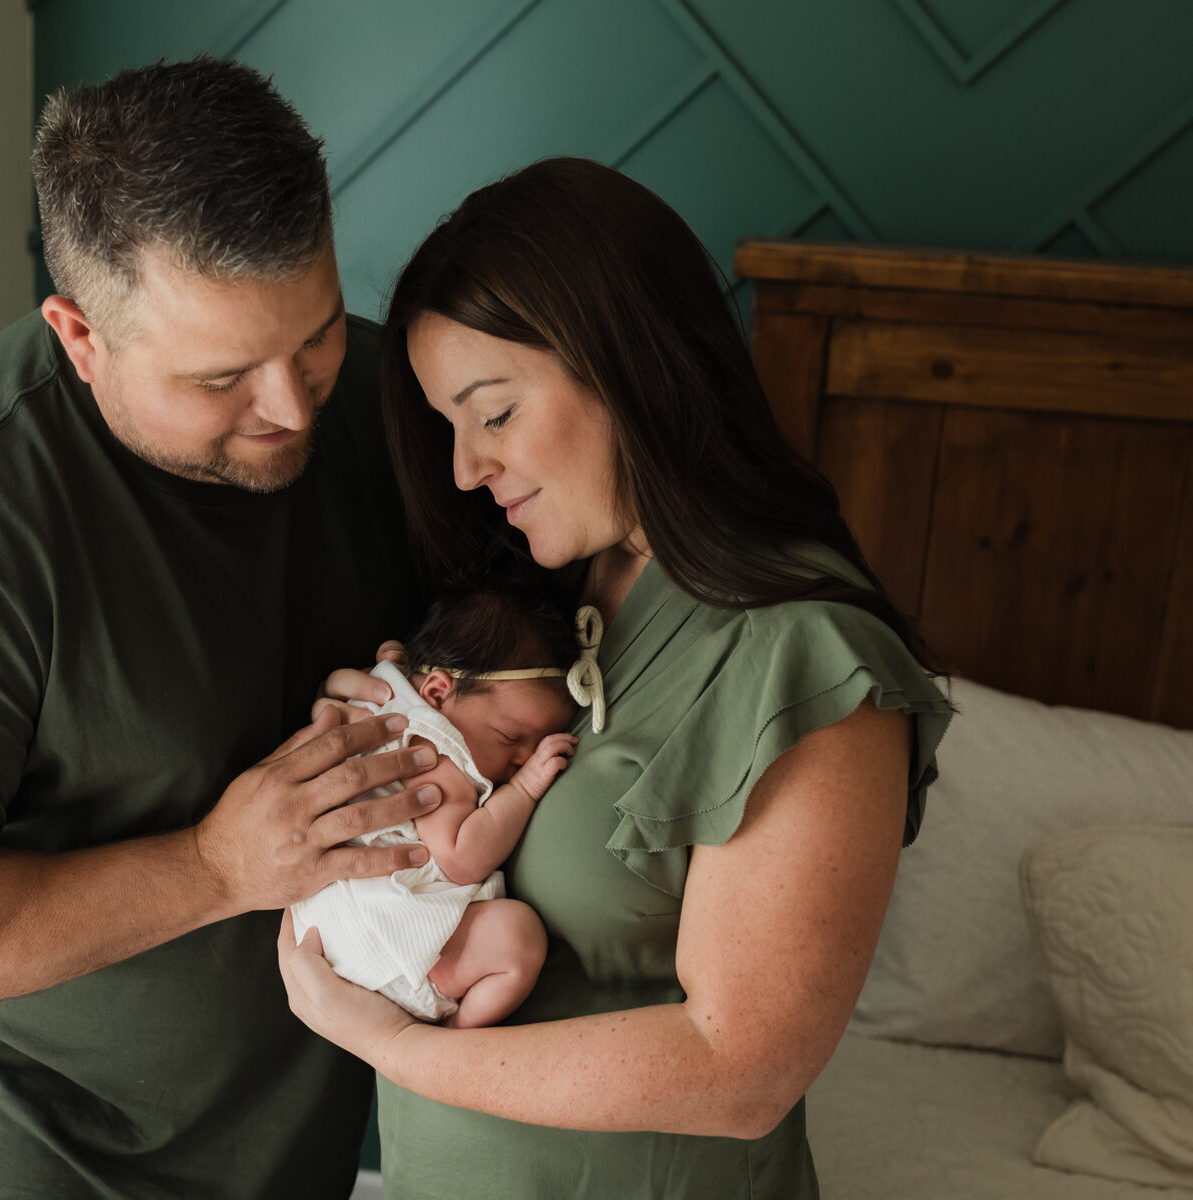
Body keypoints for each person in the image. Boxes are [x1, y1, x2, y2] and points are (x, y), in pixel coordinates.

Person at [0, 58, 438, 1200]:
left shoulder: (385, 405)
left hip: (296, 1136)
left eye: (314, 334)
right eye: (222, 375)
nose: (289, 405)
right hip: (35, 1151)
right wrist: (215, 868)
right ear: (80, 336)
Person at [278, 157, 956, 1198]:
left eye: (492, 414)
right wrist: (373, 725)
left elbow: (742, 1072)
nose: (465, 469)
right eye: (448, 428)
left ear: (627, 365)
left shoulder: (806, 661)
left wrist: (393, 1047)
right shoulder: (544, 592)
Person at [292, 580, 582, 1028]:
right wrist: (524, 789)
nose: (522, 758)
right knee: (518, 939)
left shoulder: (386, 686)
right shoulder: (434, 743)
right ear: (437, 693)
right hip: (390, 945)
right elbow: (460, 858)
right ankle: (454, 1034)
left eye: (536, 744)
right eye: (511, 738)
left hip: (329, 932)